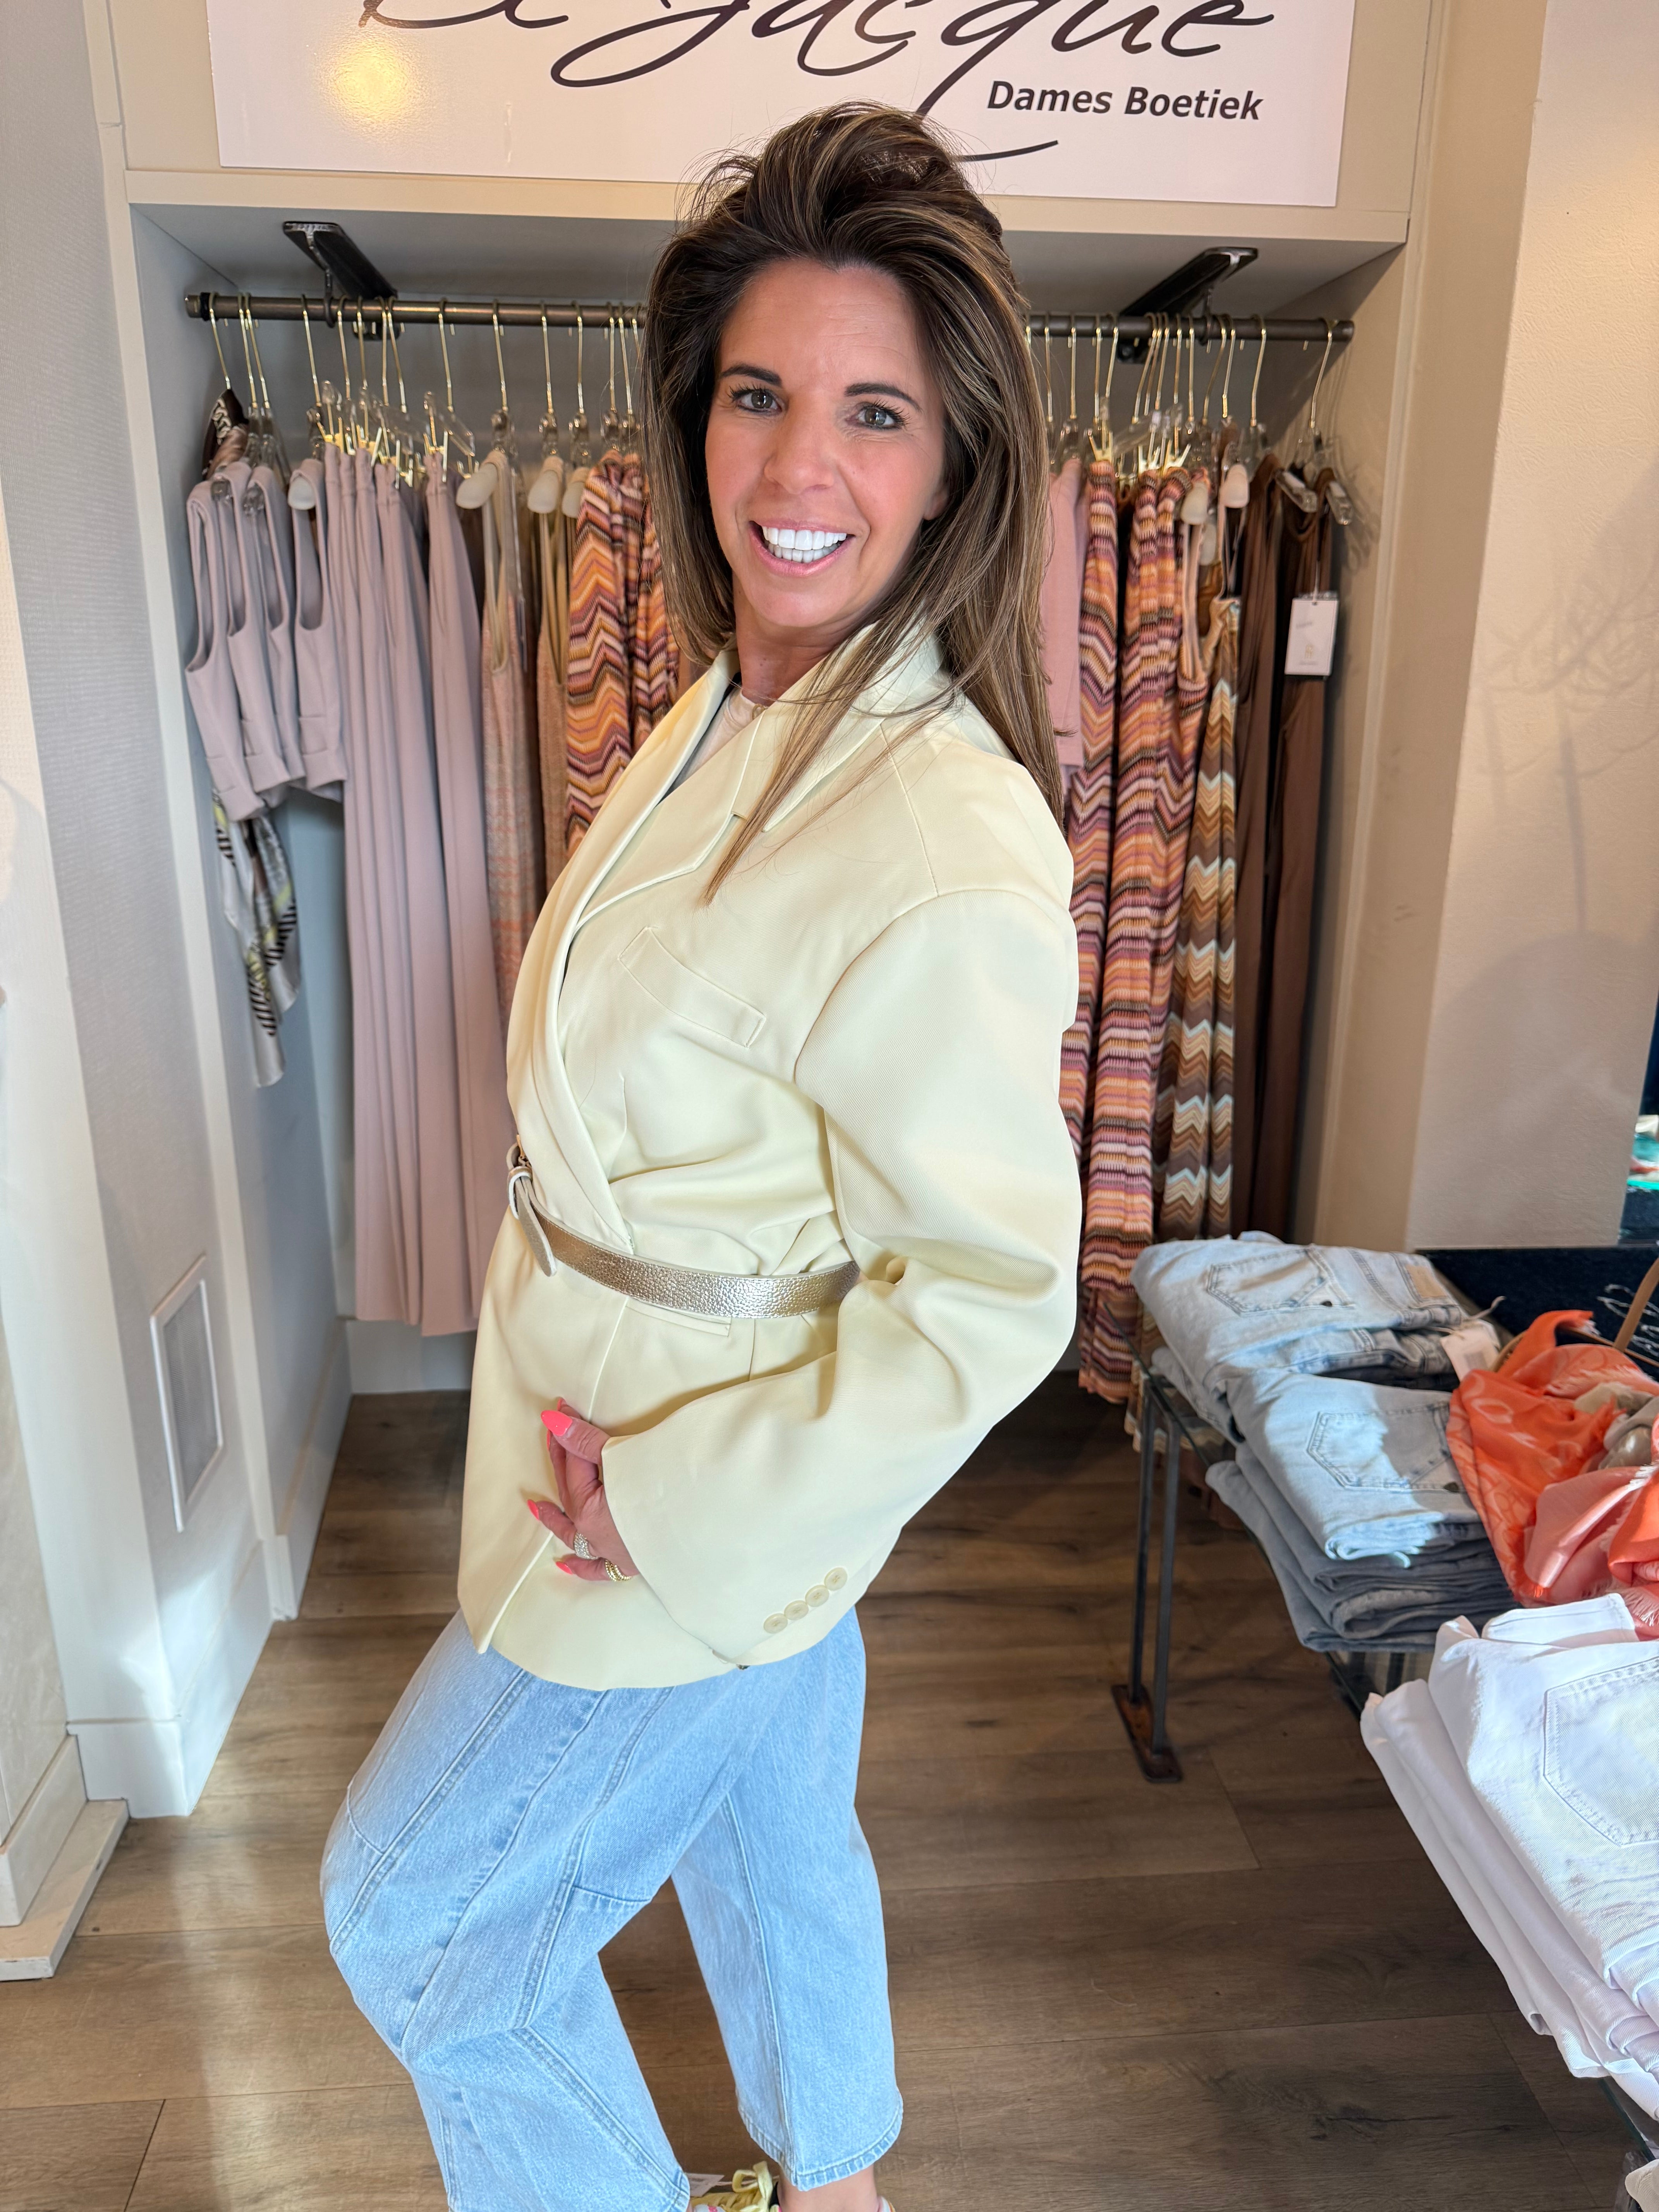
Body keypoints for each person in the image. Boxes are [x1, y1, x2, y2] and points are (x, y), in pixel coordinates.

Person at [322, 102, 1081, 2212]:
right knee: (776, 1810)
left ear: (956, 465)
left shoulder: (940, 835)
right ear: (695, 416)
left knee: (418, 1921)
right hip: (612, 1405)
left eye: (872, 413)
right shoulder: (743, 700)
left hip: (673, 1484)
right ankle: (839, 2185)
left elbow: (991, 1299)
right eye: (758, 395)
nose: (797, 466)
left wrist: (675, 1503)